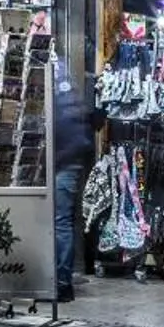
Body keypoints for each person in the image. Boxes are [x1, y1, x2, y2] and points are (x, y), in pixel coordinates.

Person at [51, 63, 95, 302]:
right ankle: (60, 280)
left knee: (61, 223)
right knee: (62, 223)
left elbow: (67, 134)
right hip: (66, 163)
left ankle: (62, 282)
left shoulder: (59, 99)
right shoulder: (69, 94)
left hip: (63, 164)